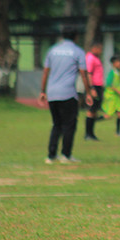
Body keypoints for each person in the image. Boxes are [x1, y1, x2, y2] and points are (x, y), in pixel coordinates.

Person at [38, 27, 92, 164]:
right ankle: (65, 155)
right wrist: (88, 92)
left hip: (52, 93)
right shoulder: (77, 51)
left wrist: (43, 91)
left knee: (56, 124)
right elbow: (83, 74)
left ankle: (51, 155)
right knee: (69, 124)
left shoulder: (52, 50)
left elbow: (45, 72)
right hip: (68, 93)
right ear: (76, 37)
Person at [84, 42, 104, 141]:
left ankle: (91, 133)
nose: (101, 51)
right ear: (95, 48)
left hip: (98, 86)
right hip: (94, 86)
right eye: (100, 49)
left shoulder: (96, 58)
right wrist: (91, 88)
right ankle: (88, 133)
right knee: (91, 110)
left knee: (94, 110)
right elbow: (89, 74)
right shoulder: (90, 58)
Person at [101, 56, 120, 136]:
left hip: (117, 97)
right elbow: (108, 84)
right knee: (108, 116)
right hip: (112, 96)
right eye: (118, 62)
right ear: (114, 63)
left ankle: (118, 132)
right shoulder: (111, 73)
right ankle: (92, 120)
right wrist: (118, 91)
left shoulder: (117, 72)